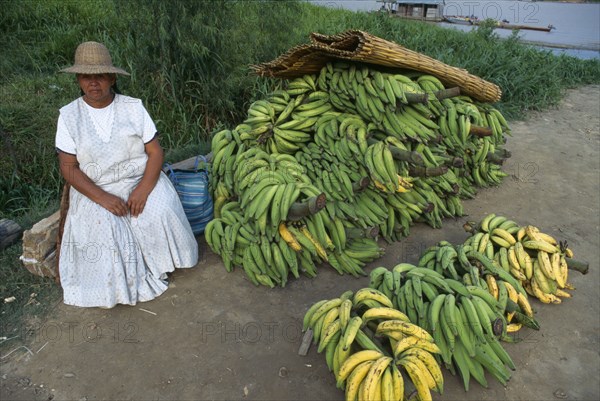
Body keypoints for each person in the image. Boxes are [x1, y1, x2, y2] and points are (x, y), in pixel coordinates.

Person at [55, 41, 198, 308]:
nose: (93, 83)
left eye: (100, 76)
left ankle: (163, 263)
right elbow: (68, 167)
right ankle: (119, 285)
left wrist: (143, 189)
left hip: (138, 178)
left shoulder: (133, 107)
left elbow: (155, 152)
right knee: (106, 230)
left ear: (111, 78)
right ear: (78, 80)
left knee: (159, 210)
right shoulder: (69, 116)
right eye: (86, 76)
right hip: (94, 187)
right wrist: (103, 198)